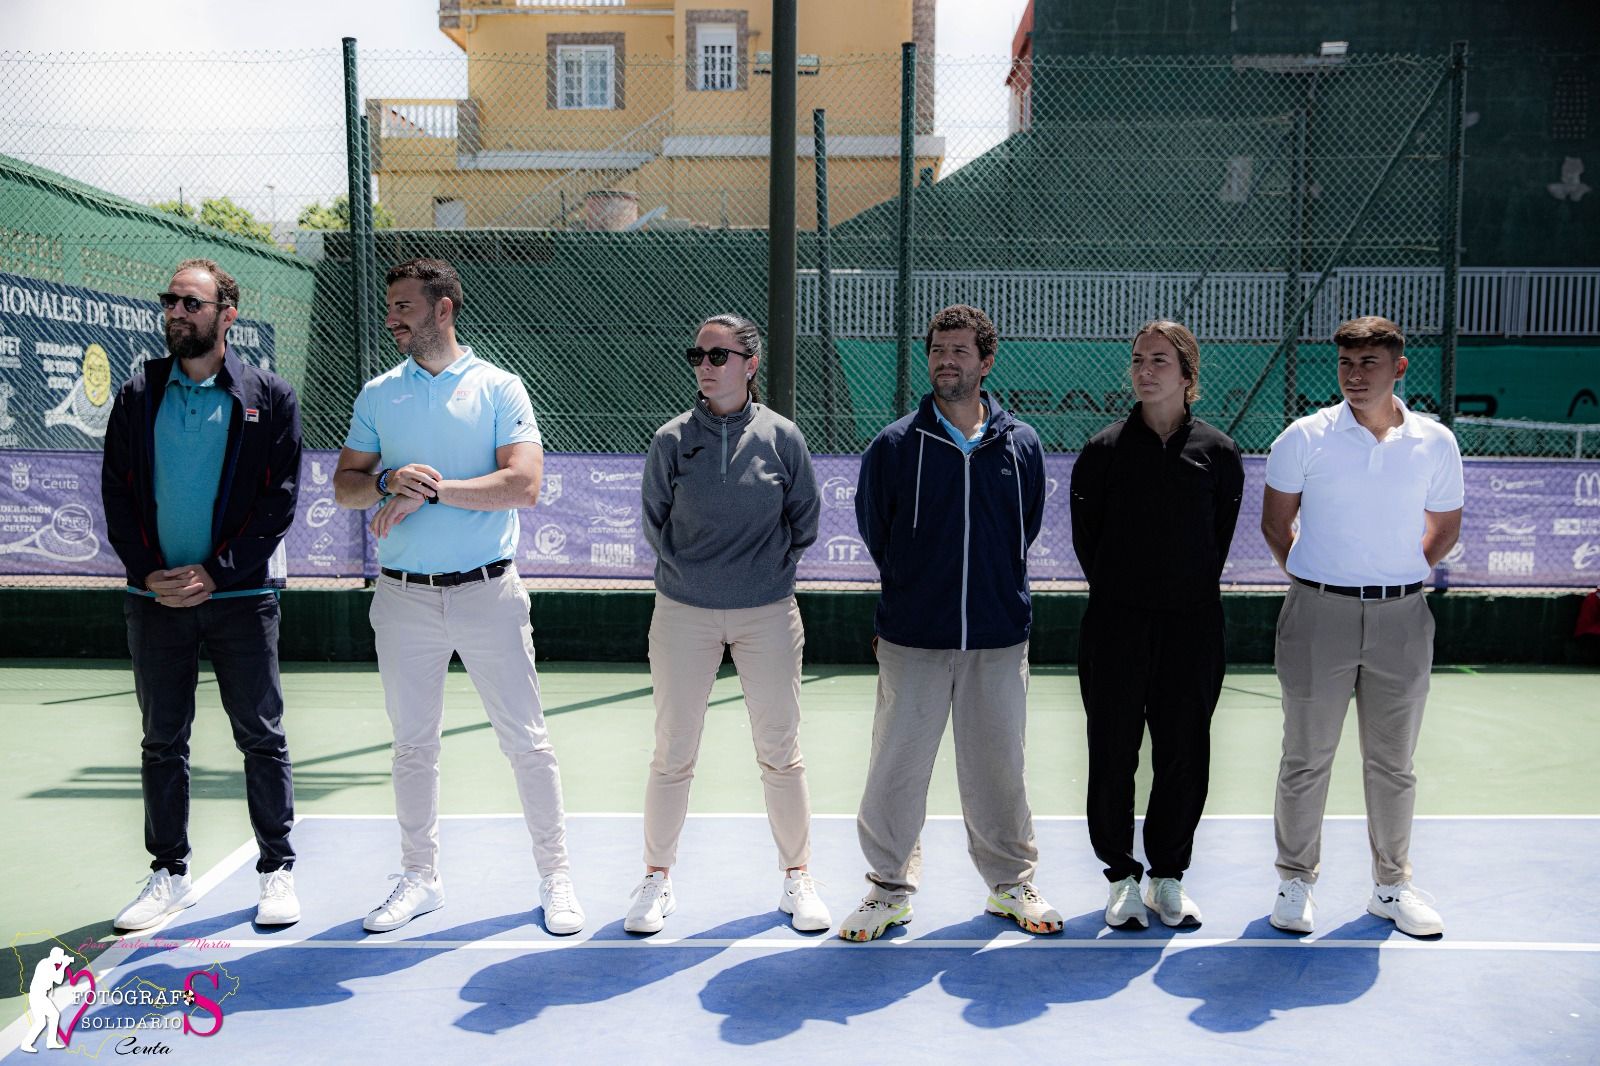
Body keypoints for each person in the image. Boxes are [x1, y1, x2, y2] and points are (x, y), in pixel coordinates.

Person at [333, 257, 583, 936]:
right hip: (402, 598)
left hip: (488, 594)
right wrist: (388, 482)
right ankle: (420, 877)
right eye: (391, 307)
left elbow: (522, 485)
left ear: (444, 309)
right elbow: (346, 486)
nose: (393, 318)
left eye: (406, 306)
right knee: (414, 747)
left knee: (527, 743)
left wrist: (430, 489)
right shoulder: (379, 394)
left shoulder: (500, 388)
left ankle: (556, 877)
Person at [840, 304, 1063, 942]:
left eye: (961, 351)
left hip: (997, 637)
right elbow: (877, 531)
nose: (947, 360)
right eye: (939, 349)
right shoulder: (893, 446)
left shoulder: (1020, 444)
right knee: (897, 766)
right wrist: (917, 594)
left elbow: (1025, 530)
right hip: (914, 638)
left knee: (999, 766)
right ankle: (888, 889)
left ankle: (1010, 884)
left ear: (985, 361)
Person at [101, 258, 302, 931]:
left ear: (226, 315)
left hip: (240, 599)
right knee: (163, 738)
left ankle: (276, 869)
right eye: (170, 301)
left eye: (191, 302)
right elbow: (118, 492)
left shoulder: (268, 397)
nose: (176, 313)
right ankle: (169, 874)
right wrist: (151, 569)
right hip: (154, 599)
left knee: (261, 735)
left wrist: (216, 572)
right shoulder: (137, 395)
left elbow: (278, 503)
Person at [625, 314, 828, 934]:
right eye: (698, 355)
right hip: (683, 614)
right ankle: (656, 880)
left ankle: (798, 878)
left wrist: (760, 576)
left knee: (780, 755)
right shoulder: (670, 441)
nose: (705, 367)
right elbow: (656, 522)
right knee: (672, 754)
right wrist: (698, 578)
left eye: (718, 356)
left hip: (768, 613)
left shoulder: (783, 438)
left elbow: (805, 521)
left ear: (749, 364)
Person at [1261, 315, 1463, 937]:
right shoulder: (1303, 437)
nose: (1355, 374)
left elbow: (1445, 529)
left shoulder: (1436, 442)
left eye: (1369, 363)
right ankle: (1295, 883)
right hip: (1317, 615)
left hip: (1402, 619)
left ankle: (1391, 887)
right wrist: (1325, 584)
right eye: (1347, 363)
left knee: (1393, 764)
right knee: (1306, 758)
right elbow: (1276, 525)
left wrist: (1397, 579)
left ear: (1399, 368)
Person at [1069, 320, 1244, 929]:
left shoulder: (1218, 453)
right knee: (1112, 752)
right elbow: (1087, 542)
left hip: (1193, 628)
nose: (1146, 371)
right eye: (1139, 360)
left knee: (1183, 754)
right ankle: (1120, 877)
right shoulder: (1102, 451)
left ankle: (1168, 876)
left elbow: (1217, 537)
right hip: (1116, 627)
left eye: (1160, 361)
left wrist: (1179, 594)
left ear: (1187, 374)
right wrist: (1129, 597)